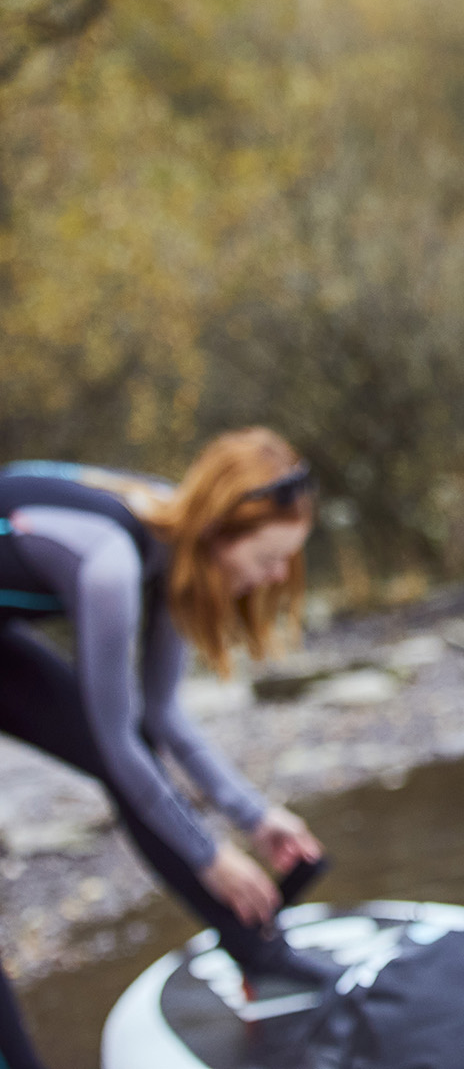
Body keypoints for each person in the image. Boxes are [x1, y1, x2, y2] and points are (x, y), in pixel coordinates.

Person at [0, 428, 331, 1069]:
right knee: (121, 754)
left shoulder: (176, 541)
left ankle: (257, 951)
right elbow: (117, 740)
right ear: (222, 532)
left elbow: (164, 716)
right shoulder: (111, 566)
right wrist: (210, 854)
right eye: (269, 557)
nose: (279, 574)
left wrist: (254, 817)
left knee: (131, 755)